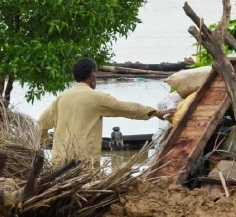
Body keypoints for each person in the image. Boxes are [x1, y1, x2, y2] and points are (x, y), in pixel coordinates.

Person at [37, 58, 173, 166]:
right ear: (91, 77)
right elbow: (127, 108)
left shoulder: (61, 99)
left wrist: (46, 140)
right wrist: (155, 112)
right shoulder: (97, 99)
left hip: (59, 162)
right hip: (83, 163)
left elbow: (41, 124)